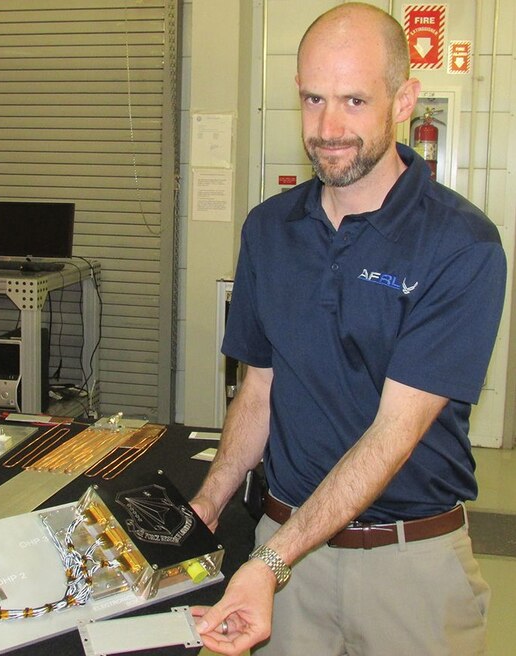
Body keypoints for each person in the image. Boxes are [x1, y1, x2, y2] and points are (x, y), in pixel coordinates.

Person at [190, 4, 506, 655]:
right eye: (313, 99)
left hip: (408, 568)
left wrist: (271, 561)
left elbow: (394, 434)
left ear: (404, 99)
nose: (328, 128)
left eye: (355, 100)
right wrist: (210, 501)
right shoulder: (268, 231)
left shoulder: (460, 245)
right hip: (282, 567)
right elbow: (259, 389)